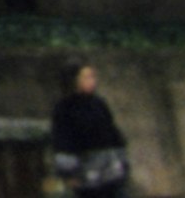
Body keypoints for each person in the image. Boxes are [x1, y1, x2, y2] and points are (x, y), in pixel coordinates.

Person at [48, 59, 131, 198]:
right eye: (86, 77)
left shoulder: (98, 104)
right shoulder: (65, 108)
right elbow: (63, 140)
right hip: (87, 174)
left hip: (111, 171)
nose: (92, 81)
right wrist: (69, 173)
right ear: (74, 81)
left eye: (93, 77)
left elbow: (112, 133)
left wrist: (122, 160)